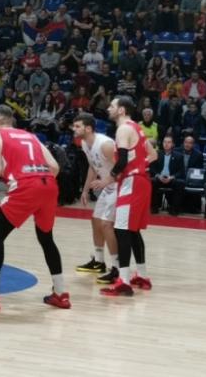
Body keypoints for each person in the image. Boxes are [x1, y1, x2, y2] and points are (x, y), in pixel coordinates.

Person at [0, 105, 71, 312]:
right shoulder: (30, 136)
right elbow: (54, 167)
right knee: (46, 239)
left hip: (25, 186)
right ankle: (60, 294)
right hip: (49, 185)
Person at [100, 96, 159, 297]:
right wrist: (139, 166)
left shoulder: (123, 129)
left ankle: (123, 281)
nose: (108, 109)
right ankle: (141, 276)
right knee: (132, 231)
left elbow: (122, 160)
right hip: (142, 181)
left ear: (121, 110)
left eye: (112, 106)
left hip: (132, 183)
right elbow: (153, 156)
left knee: (122, 230)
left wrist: (109, 178)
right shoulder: (137, 128)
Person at [72, 114, 120, 284]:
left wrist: (107, 180)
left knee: (107, 225)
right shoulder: (85, 143)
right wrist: (85, 190)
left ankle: (117, 268)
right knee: (96, 221)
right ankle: (99, 262)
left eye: (77, 126)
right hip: (108, 186)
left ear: (88, 128)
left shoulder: (105, 144)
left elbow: (124, 168)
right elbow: (93, 167)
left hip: (120, 186)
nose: (74, 129)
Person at [149, 135, 185, 216]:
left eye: (169, 142)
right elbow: (152, 168)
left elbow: (181, 171)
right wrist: (158, 175)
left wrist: (172, 177)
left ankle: (174, 209)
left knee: (180, 183)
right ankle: (154, 207)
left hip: (171, 178)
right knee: (152, 181)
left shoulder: (179, 156)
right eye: (165, 142)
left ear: (173, 144)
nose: (166, 144)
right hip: (159, 178)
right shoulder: (157, 154)